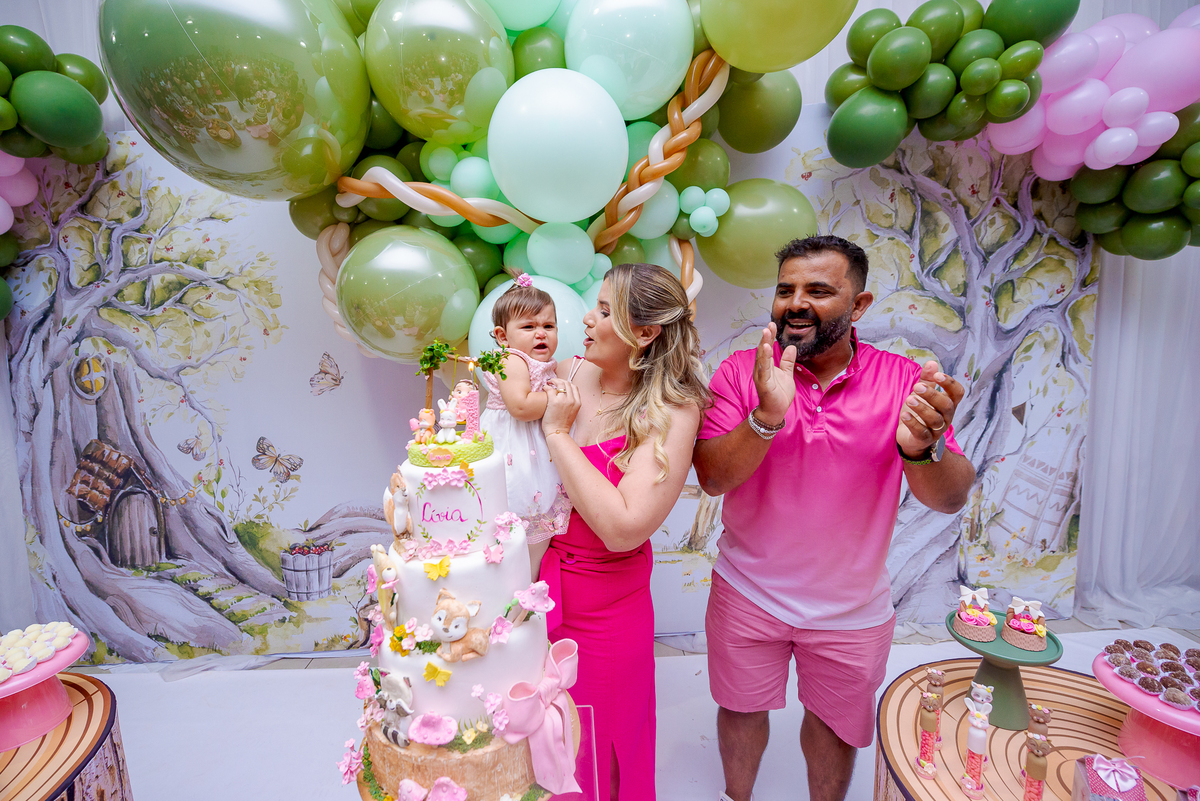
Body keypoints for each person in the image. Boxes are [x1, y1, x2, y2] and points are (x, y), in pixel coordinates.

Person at [692, 235, 975, 801]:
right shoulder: (742, 372)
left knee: (836, 727)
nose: (796, 303)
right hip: (746, 592)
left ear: (859, 305)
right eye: (786, 290)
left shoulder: (903, 381)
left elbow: (949, 499)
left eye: (818, 291)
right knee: (741, 709)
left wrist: (922, 449)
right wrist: (766, 416)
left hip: (852, 610)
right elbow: (714, 478)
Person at [540, 262, 708, 801]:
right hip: (539, 597)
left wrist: (558, 435)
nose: (587, 319)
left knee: (597, 749)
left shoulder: (673, 412)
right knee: (544, 742)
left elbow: (623, 528)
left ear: (645, 331)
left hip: (606, 614)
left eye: (604, 311)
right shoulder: (569, 372)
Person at [479, 275, 571, 576]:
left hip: (532, 448)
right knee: (515, 516)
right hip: (513, 447)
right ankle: (514, 582)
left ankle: (526, 585)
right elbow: (520, 407)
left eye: (548, 326)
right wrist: (558, 396)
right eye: (529, 327)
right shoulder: (511, 360)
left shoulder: (540, 362)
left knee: (533, 541)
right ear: (503, 336)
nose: (540, 333)